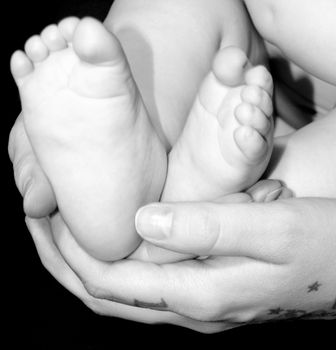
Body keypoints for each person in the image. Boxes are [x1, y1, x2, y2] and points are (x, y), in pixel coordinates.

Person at [8, 0, 336, 332]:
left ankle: (180, 199)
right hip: (256, 51)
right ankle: (139, 170)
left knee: (297, 180)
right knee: (171, 15)